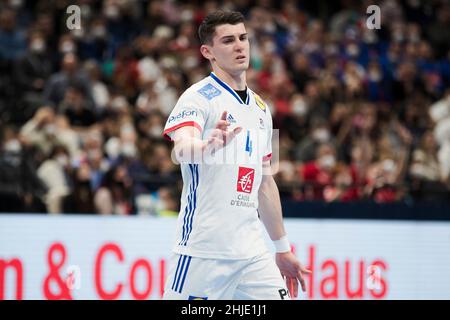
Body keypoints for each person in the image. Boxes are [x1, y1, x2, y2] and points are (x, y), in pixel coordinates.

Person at [162, 10, 310, 300]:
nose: (240, 45)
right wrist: (205, 147)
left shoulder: (262, 109)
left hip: (252, 253)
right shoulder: (196, 97)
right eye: (228, 41)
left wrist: (282, 249)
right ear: (208, 52)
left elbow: (266, 182)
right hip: (204, 250)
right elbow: (181, 148)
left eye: (243, 38)